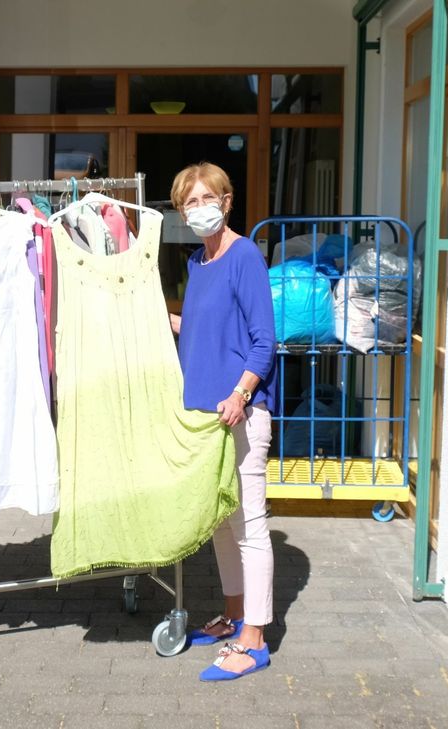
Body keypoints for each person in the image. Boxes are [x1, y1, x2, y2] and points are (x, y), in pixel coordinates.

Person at [169, 162, 277, 682]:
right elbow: (203, 329)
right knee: (219, 526)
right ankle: (234, 616)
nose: (198, 208)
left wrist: (240, 393)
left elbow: (263, 341)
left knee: (249, 526)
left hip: (241, 414)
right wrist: (157, 320)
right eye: (188, 202)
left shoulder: (244, 256)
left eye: (206, 198)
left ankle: (254, 639)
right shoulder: (198, 262)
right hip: (204, 420)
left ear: (228, 201)